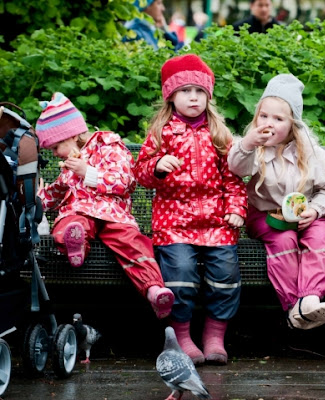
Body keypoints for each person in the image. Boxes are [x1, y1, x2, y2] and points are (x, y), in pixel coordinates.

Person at [133, 54, 247, 365]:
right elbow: (140, 172)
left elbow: (234, 178)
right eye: (185, 91)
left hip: (216, 222)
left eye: (199, 91)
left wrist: (235, 208)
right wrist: (156, 166)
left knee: (225, 274)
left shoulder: (219, 134)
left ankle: (214, 335)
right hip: (174, 222)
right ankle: (181, 336)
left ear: (208, 96)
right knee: (179, 274)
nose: (193, 97)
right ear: (171, 96)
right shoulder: (161, 134)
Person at [35, 92, 175, 321]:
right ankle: (76, 246)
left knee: (132, 243)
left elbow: (125, 181)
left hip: (113, 213)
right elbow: (55, 195)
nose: (54, 153)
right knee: (70, 222)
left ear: (71, 135)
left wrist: (86, 172)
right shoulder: (67, 168)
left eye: (55, 146)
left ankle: (154, 290)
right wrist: (37, 196)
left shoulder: (106, 144)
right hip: (79, 211)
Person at [228, 74, 325, 330]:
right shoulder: (253, 147)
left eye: (278, 119)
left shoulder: (312, 153)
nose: (269, 123)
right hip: (265, 216)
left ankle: (310, 298)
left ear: (293, 124)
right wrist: (247, 144)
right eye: (263, 116)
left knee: (321, 237)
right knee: (284, 241)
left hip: (304, 213)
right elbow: (235, 168)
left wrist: (315, 210)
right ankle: (293, 306)